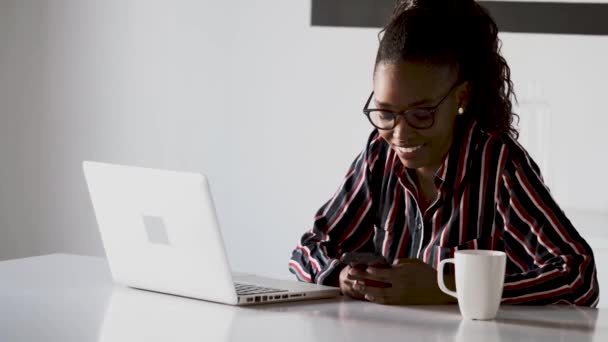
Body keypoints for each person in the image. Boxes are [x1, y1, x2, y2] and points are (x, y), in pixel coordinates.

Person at [289, 0, 599, 306]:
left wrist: (449, 288)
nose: (400, 133)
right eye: (385, 113)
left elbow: (578, 277)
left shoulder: (498, 165)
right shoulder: (379, 155)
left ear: (461, 97)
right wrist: (342, 275)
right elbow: (310, 248)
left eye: (421, 115)